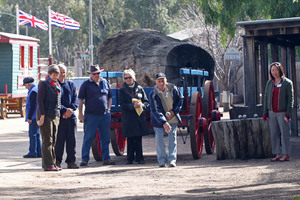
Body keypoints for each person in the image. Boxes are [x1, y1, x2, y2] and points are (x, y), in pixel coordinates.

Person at [78, 65, 115, 166]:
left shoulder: (105, 83)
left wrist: (109, 109)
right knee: (88, 138)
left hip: (104, 115)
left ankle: (106, 158)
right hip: (91, 116)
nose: (97, 75)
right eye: (94, 74)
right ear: (90, 74)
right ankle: (85, 159)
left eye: (98, 73)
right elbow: (80, 100)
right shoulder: (85, 85)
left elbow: (110, 97)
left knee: (105, 138)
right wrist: (80, 113)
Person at [149, 73, 184, 167]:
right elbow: (155, 110)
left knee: (172, 139)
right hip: (158, 120)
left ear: (166, 80)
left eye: (163, 81)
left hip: (172, 117)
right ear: (156, 82)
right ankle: (161, 160)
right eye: (159, 81)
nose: (161, 83)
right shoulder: (153, 94)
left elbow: (180, 100)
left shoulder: (173, 88)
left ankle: (172, 160)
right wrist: (164, 122)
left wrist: (174, 111)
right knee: (159, 139)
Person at [263, 62, 294, 162]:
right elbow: (265, 98)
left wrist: (288, 113)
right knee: (274, 133)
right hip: (272, 112)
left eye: (276, 70)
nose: (274, 72)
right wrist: (265, 112)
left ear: (280, 70)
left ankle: (286, 154)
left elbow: (290, 99)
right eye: (272, 71)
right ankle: (277, 154)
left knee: (284, 134)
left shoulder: (287, 83)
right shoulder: (269, 83)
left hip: (283, 112)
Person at [119, 69, 149, 165]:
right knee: (130, 138)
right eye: (126, 78)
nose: (128, 79)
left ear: (133, 77)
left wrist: (142, 105)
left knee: (138, 139)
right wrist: (132, 106)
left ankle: (140, 158)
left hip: (138, 117)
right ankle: (129, 158)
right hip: (128, 117)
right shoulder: (122, 90)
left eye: (129, 77)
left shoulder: (140, 88)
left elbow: (146, 101)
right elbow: (122, 104)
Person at [37, 64, 61, 171]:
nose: (56, 76)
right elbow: (40, 101)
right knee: (47, 140)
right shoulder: (44, 84)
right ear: (49, 74)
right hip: (45, 115)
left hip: (54, 114)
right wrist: (42, 116)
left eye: (57, 74)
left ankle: (53, 163)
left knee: (54, 140)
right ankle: (48, 164)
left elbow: (58, 100)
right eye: (54, 74)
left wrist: (58, 112)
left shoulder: (57, 84)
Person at [55, 64, 79, 169]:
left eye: (64, 72)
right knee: (59, 140)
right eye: (60, 72)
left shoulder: (71, 84)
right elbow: (55, 101)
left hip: (71, 117)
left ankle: (71, 161)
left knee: (71, 140)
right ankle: (57, 161)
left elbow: (75, 99)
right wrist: (65, 110)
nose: (62, 74)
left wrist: (71, 109)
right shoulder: (54, 85)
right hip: (60, 117)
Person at [23, 77, 42, 158]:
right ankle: (39, 152)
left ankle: (32, 152)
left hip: (34, 116)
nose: (25, 87)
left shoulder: (33, 91)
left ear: (29, 84)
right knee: (37, 134)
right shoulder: (35, 90)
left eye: (25, 85)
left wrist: (29, 117)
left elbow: (33, 106)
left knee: (32, 134)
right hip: (37, 115)